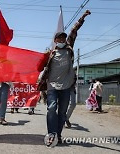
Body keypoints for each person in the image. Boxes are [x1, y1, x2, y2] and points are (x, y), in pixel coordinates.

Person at [39, 10, 91, 147]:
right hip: (52, 86)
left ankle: (58, 134)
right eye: (59, 38)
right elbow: (39, 67)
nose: (62, 40)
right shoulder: (50, 53)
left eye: (63, 38)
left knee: (62, 112)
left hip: (66, 86)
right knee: (51, 109)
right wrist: (43, 58)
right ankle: (51, 134)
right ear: (55, 41)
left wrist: (82, 17)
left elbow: (74, 30)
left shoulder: (69, 50)